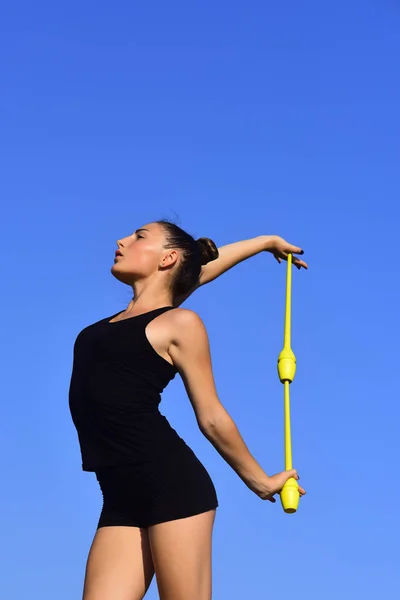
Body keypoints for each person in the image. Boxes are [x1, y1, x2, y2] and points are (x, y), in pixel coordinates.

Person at [68, 220, 307, 600]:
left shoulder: (179, 323)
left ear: (168, 258)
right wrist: (263, 242)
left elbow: (211, 416)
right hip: (118, 496)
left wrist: (260, 481)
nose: (122, 239)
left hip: (172, 489)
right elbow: (197, 270)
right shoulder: (121, 322)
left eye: (139, 236)